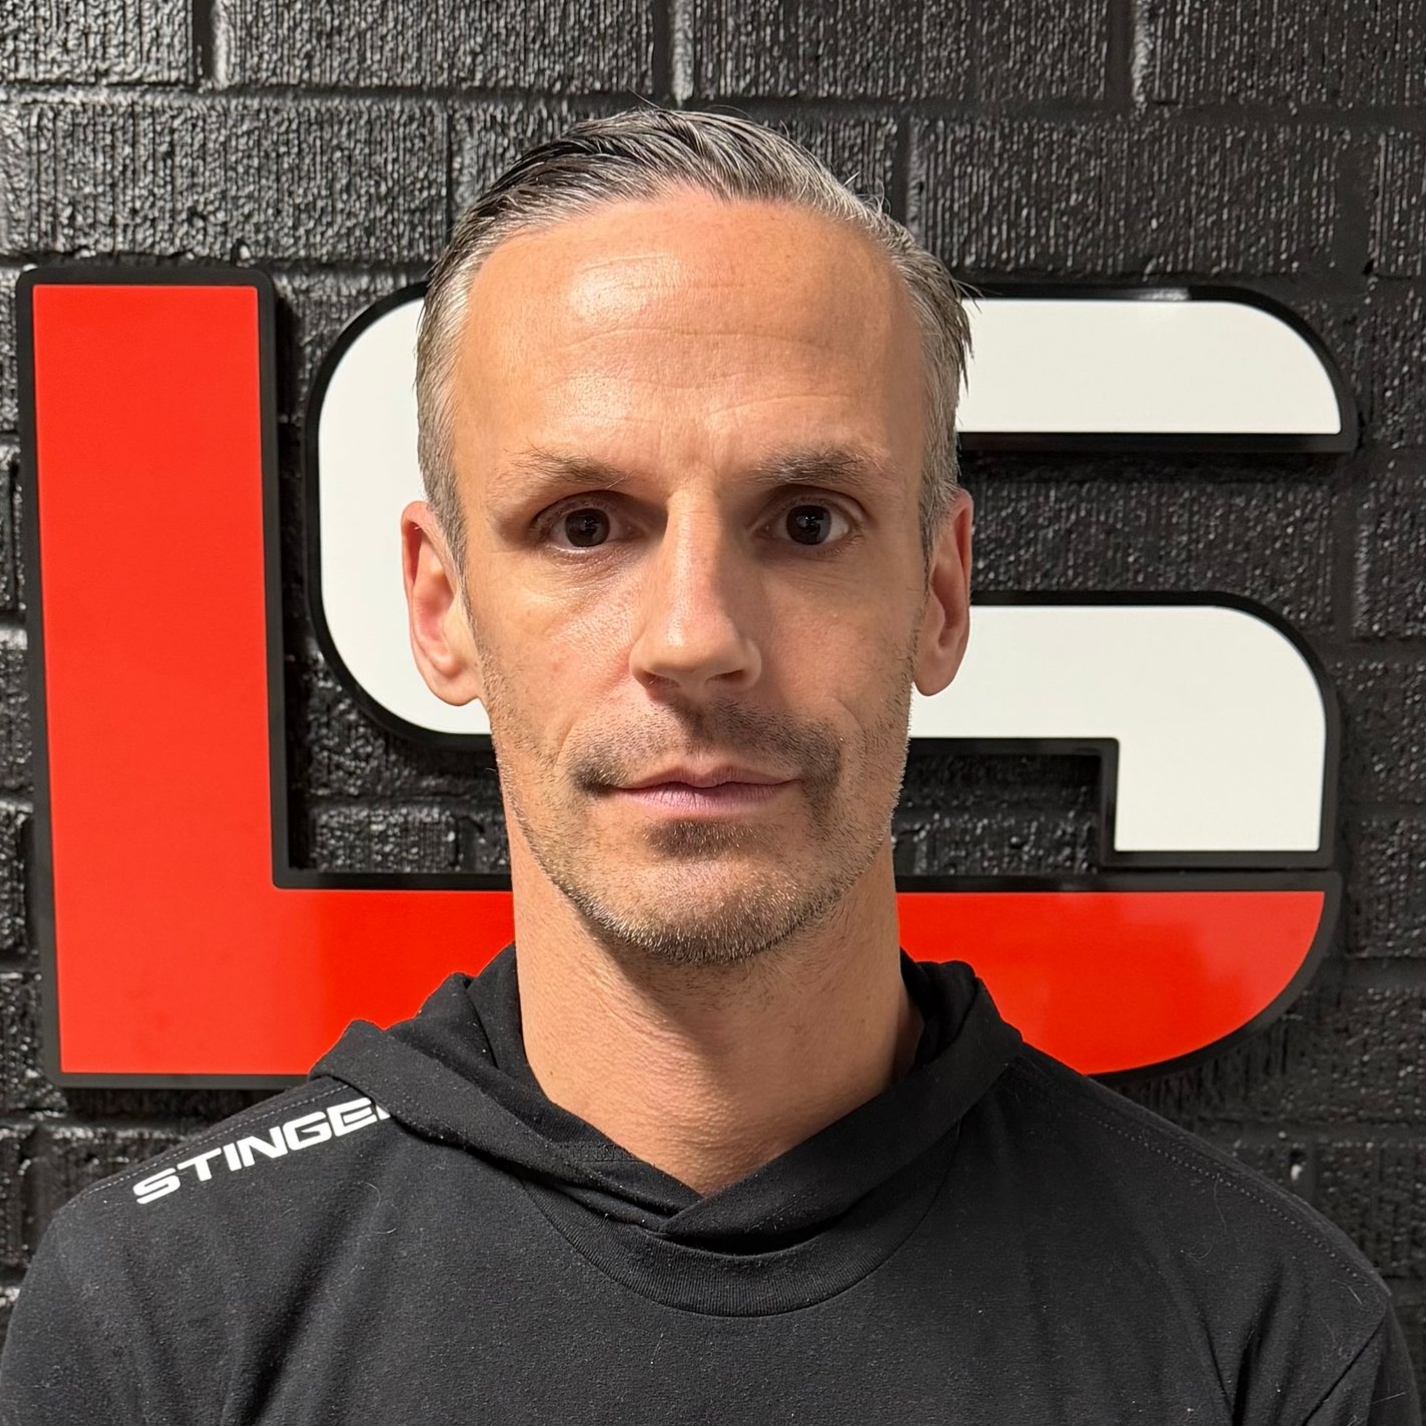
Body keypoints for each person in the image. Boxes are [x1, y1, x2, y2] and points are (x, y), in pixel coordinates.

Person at [0, 107, 1418, 1425]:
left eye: (806, 521)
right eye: (584, 522)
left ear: (938, 594)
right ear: (440, 607)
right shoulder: (161, 1326)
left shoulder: (1266, 1335)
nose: (695, 637)